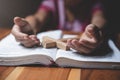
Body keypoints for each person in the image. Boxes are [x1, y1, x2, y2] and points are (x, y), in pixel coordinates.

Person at [11, 0, 106, 54]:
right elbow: (38, 18)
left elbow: (99, 19)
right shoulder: (53, 2)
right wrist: (27, 25)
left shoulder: (94, 3)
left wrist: (94, 31)